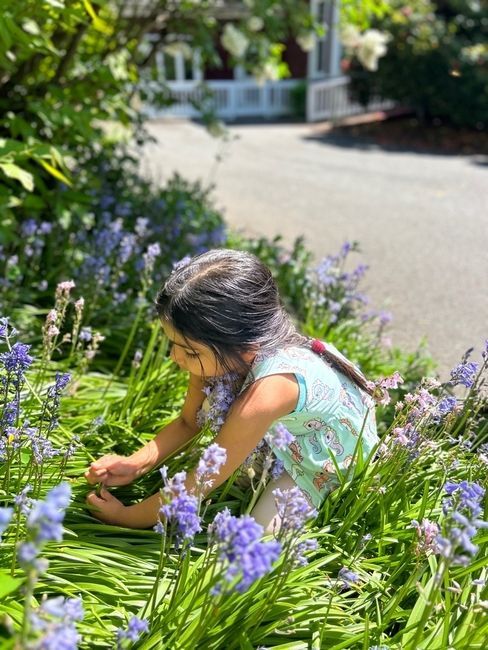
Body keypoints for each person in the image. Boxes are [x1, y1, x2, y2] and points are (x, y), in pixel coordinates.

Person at [85, 249, 379, 534]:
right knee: (239, 466)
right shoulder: (216, 355)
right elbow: (189, 423)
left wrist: (126, 517)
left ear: (242, 345)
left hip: (330, 458)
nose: (175, 357)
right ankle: (257, 455)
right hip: (292, 430)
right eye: (172, 343)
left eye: (187, 350)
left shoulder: (264, 395)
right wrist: (136, 464)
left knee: (256, 540)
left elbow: (203, 480)